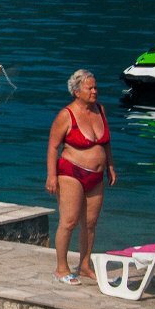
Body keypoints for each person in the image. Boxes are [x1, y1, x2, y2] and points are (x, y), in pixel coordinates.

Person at [45, 69, 116, 285]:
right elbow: (53, 147)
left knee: (90, 223)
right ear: (77, 91)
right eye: (90, 88)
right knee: (69, 220)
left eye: (96, 87)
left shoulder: (100, 110)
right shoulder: (66, 115)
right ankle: (61, 268)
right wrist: (51, 176)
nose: (95, 91)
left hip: (96, 176)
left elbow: (105, 143)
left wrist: (110, 166)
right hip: (71, 172)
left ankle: (85, 265)